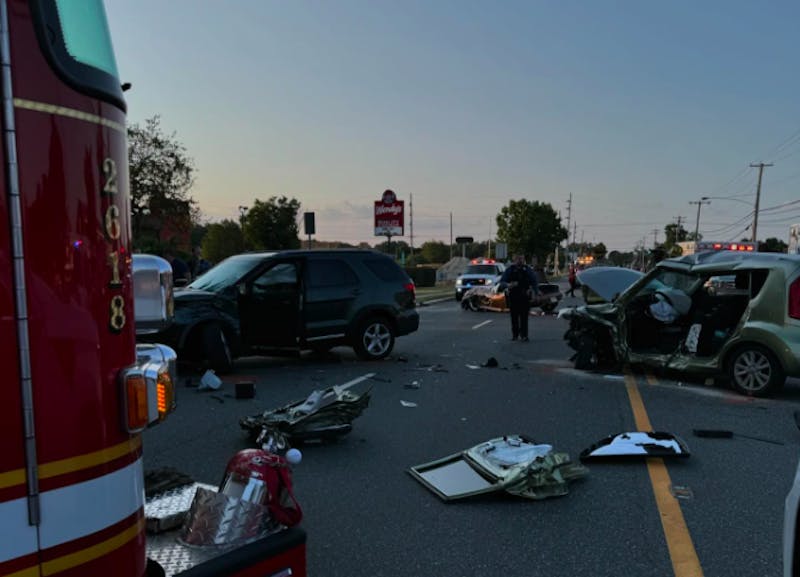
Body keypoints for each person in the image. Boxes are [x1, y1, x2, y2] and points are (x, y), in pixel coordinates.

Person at [500, 254, 539, 341]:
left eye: (521, 258)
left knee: (524, 317)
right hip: (513, 295)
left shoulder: (527, 269)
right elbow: (502, 282)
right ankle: (515, 335)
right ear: (514, 259)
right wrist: (508, 285)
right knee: (514, 316)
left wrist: (536, 293)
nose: (519, 260)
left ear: (523, 259)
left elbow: (534, 281)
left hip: (524, 296)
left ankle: (524, 335)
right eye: (518, 258)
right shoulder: (510, 270)